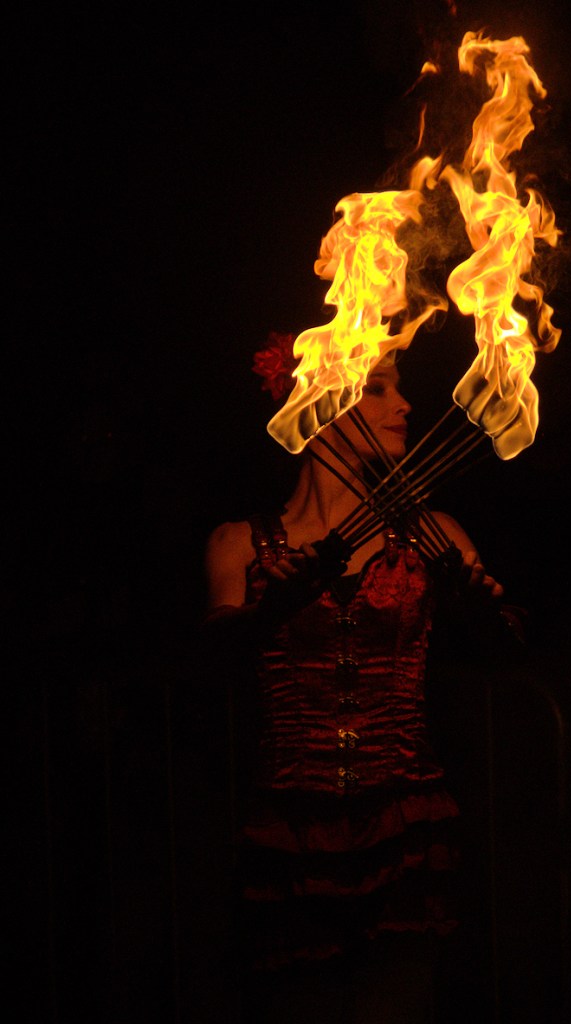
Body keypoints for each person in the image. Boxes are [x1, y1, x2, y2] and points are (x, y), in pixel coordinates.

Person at [202, 354, 511, 1023]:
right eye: (377, 389)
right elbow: (214, 654)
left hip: (406, 822)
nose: (405, 405)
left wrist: (482, 610)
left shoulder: (434, 534)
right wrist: (272, 607)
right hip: (292, 832)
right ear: (318, 408)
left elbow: (506, 646)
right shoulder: (240, 543)